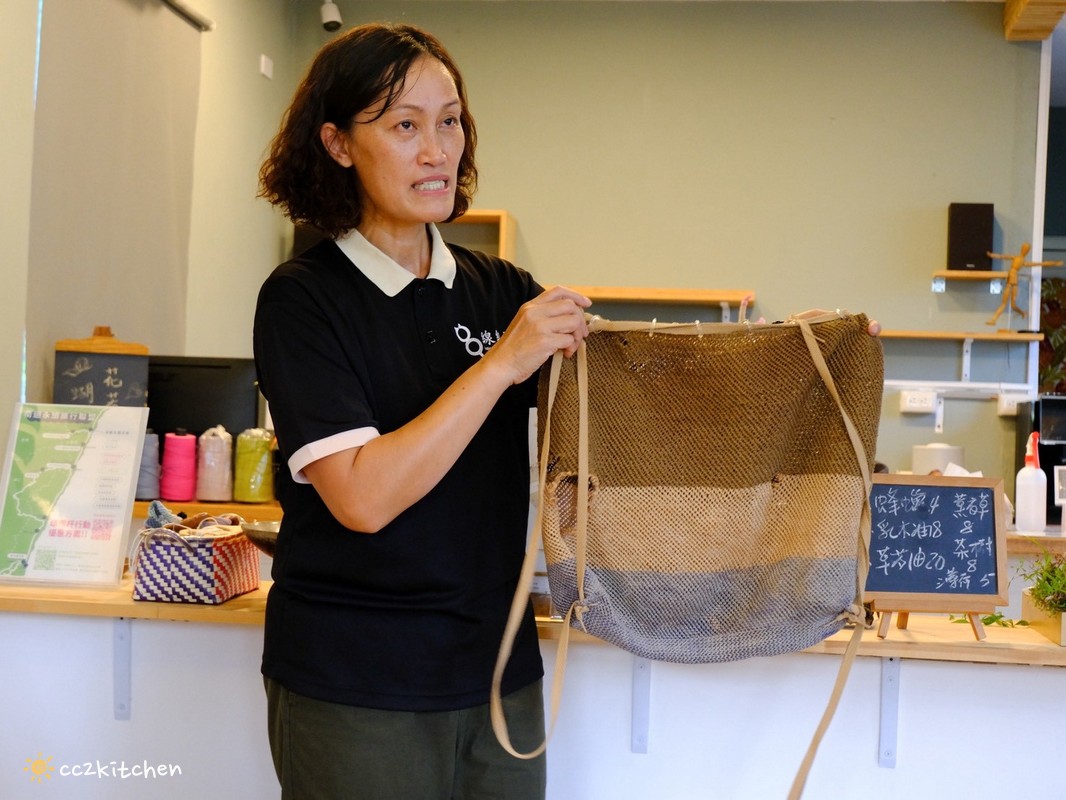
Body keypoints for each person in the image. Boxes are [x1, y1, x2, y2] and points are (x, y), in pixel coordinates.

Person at [253, 22, 590, 800]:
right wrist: (504, 362)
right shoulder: (304, 300)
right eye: (405, 125)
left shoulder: (502, 288)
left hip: (499, 674)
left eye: (450, 121)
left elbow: (635, 396)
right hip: (356, 685)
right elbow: (363, 497)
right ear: (338, 144)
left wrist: (805, 354)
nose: (439, 150)